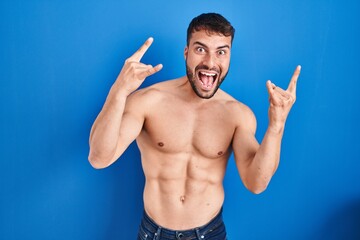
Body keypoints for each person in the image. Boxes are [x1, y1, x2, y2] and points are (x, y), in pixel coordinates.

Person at [88, 13, 301, 240]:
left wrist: (277, 125)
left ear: (229, 57)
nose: (210, 62)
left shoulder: (237, 114)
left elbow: (256, 183)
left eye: (221, 52)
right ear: (186, 52)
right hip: (154, 233)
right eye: (201, 49)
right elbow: (99, 158)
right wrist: (119, 90)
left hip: (209, 233)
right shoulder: (148, 101)